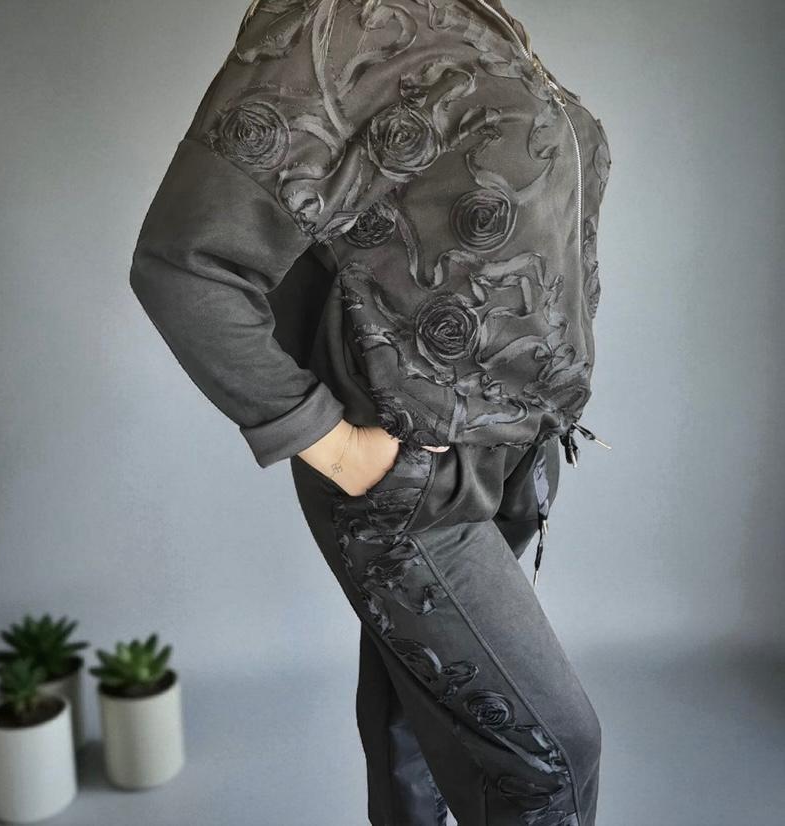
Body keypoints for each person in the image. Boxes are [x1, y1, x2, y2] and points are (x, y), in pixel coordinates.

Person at [129, 0, 613, 822]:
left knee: (419, 718)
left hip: (513, 454)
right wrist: (335, 446)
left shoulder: (482, 19)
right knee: (551, 759)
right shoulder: (347, 17)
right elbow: (185, 263)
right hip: (415, 477)